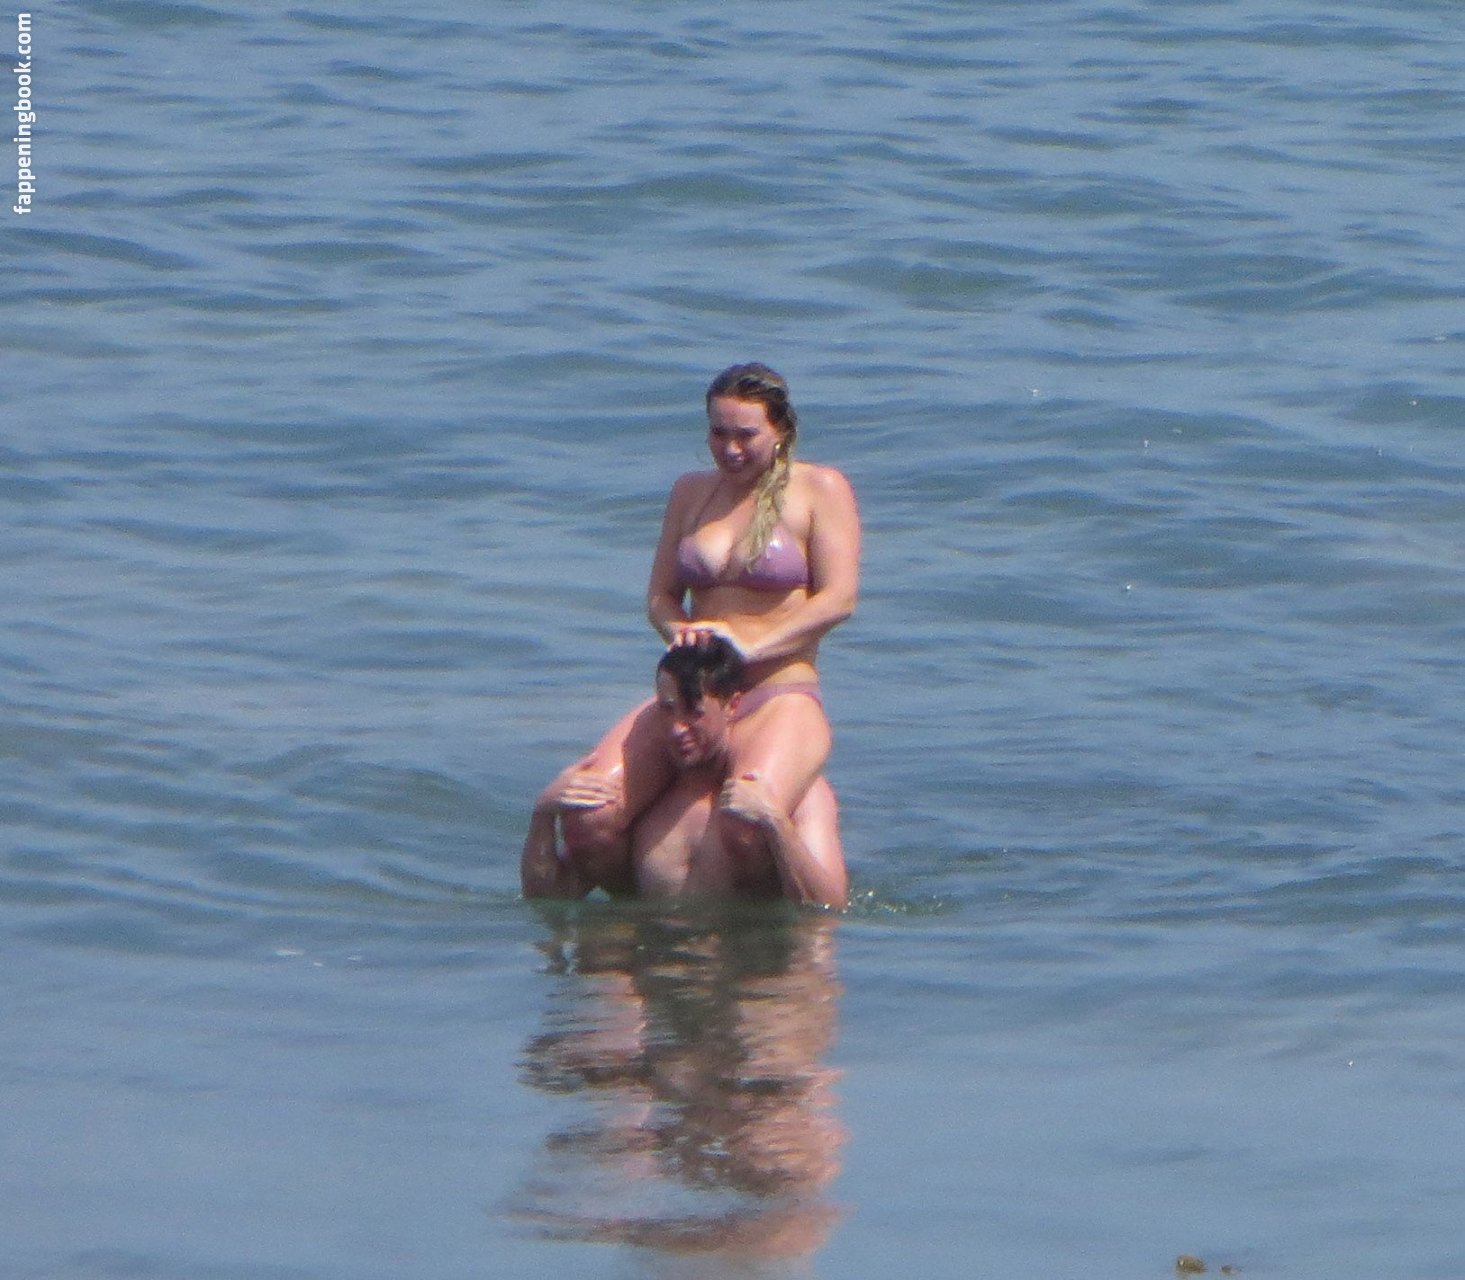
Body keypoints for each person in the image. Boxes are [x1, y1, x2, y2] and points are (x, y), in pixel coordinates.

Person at [553, 363, 860, 885]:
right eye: (719, 433)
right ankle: (634, 918)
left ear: (780, 430)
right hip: (695, 695)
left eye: (746, 435)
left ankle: (771, 916)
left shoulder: (820, 488)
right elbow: (661, 597)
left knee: (745, 825)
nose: (730, 449)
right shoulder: (690, 492)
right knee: (589, 816)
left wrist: (750, 646)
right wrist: (679, 631)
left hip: (780, 693)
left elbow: (838, 599)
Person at [522, 639, 848, 908]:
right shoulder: (643, 805)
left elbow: (830, 909)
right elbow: (550, 898)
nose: (678, 729)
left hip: (739, 962)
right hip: (648, 959)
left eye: (694, 712)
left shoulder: (796, 796)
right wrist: (543, 814)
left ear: (732, 706)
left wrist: (776, 824)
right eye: (667, 709)